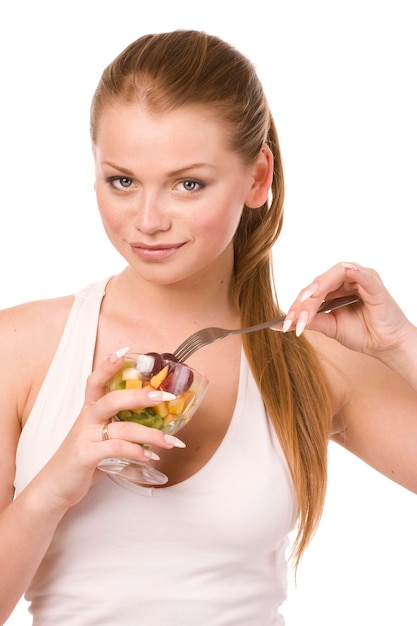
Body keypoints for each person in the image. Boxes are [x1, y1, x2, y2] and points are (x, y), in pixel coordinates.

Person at [1, 29, 416, 626]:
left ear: (257, 178)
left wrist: (404, 346)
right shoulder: (18, 349)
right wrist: (56, 482)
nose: (146, 220)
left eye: (188, 183)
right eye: (122, 181)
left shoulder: (310, 357)